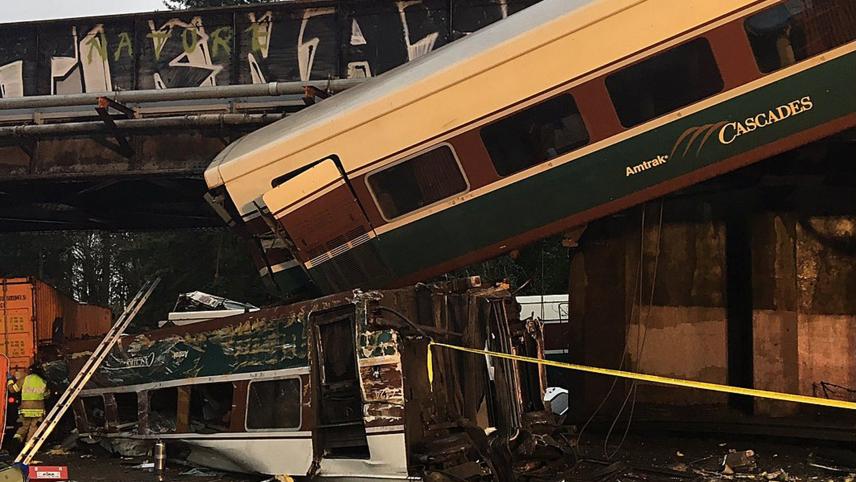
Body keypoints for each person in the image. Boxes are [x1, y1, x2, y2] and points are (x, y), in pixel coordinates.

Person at [10, 365, 50, 445]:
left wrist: (10, 380)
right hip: (38, 410)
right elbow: (46, 396)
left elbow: (12, 390)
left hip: (25, 409)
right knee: (33, 427)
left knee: (24, 426)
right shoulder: (43, 381)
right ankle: (29, 445)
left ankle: (16, 440)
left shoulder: (24, 379)